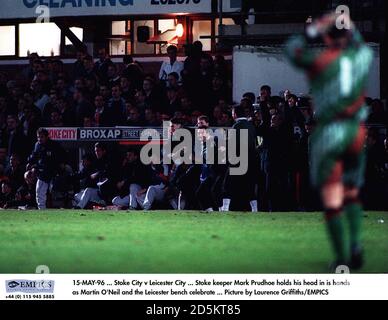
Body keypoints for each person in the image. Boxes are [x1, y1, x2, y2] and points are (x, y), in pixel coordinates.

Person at [285, 12, 373, 270]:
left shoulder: (320, 60)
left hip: (331, 130)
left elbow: (292, 49)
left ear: (326, 37)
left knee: (333, 197)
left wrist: (312, 29)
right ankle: (356, 243)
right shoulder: (361, 58)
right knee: (352, 192)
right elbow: (361, 44)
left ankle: (340, 260)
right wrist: (349, 25)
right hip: (356, 130)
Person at [221, 104, 258, 212]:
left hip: (238, 161)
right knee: (249, 187)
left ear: (235, 114)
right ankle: (255, 209)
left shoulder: (236, 126)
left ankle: (225, 208)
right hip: (250, 161)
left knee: (227, 185)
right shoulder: (251, 126)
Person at [27, 128, 66, 209]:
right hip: (42, 171)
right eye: (38, 137)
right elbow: (33, 157)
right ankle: (41, 210)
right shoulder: (37, 145)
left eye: (41, 137)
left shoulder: (54, 145)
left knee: (51, 191)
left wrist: (62, 164)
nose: (39, 139)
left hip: (54, 171)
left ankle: (58, 209)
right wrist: (31, 164)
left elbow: (63, 156)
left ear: (47, 137)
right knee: (39, 191)